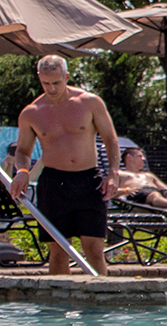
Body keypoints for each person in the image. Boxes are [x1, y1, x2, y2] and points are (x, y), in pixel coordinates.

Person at [6, 54, 120, 275]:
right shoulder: (32, 113)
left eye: (57, 83)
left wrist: (114, 173)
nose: (52, 89)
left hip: (89, 180)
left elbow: (110, 139)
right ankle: (57, 309)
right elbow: (22, 151)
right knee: (58, 251)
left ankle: (99, 305)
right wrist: (22, 171)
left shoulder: (89, 102)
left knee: (94, 248)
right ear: (39, 78)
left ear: (66, 77)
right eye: (46, 83)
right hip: (54, 183)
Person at [112, 142, 167, 210]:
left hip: (156, 191)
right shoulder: (120, 173)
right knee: (154, 195)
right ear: (129, 157)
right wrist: (126, 190)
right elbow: (111, 190)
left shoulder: (149, 175)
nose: (143, 159)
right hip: (138, 192)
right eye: (140, 156)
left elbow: (165, 189)